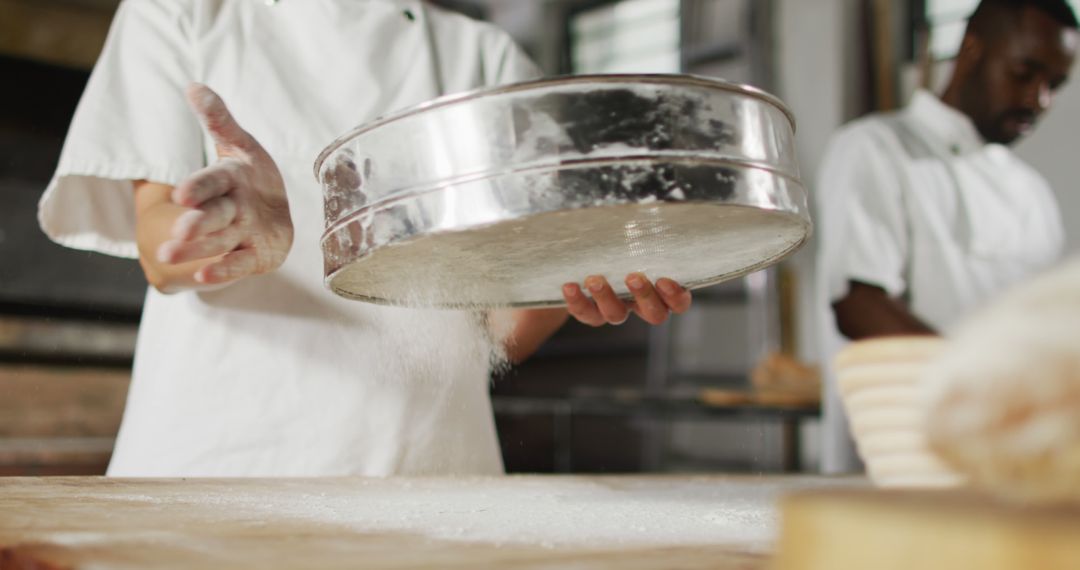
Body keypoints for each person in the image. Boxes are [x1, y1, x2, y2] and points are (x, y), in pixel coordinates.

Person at [38, 0, 691, 477]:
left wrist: (575, 278)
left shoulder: (482, 56)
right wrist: (227, 234)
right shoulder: (182, 15)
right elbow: (160, 248)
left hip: (436, 480)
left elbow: (494, 335)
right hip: (216, 469)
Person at [814, 0, 1078, 472]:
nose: (1038, 100)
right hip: (898, 465)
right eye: (1024, 72)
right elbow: (859, 305)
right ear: (972, 50)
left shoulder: (1033, 193)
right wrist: (987, 395)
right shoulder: (876, 148)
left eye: (1054, 86)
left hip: (1012, 469)